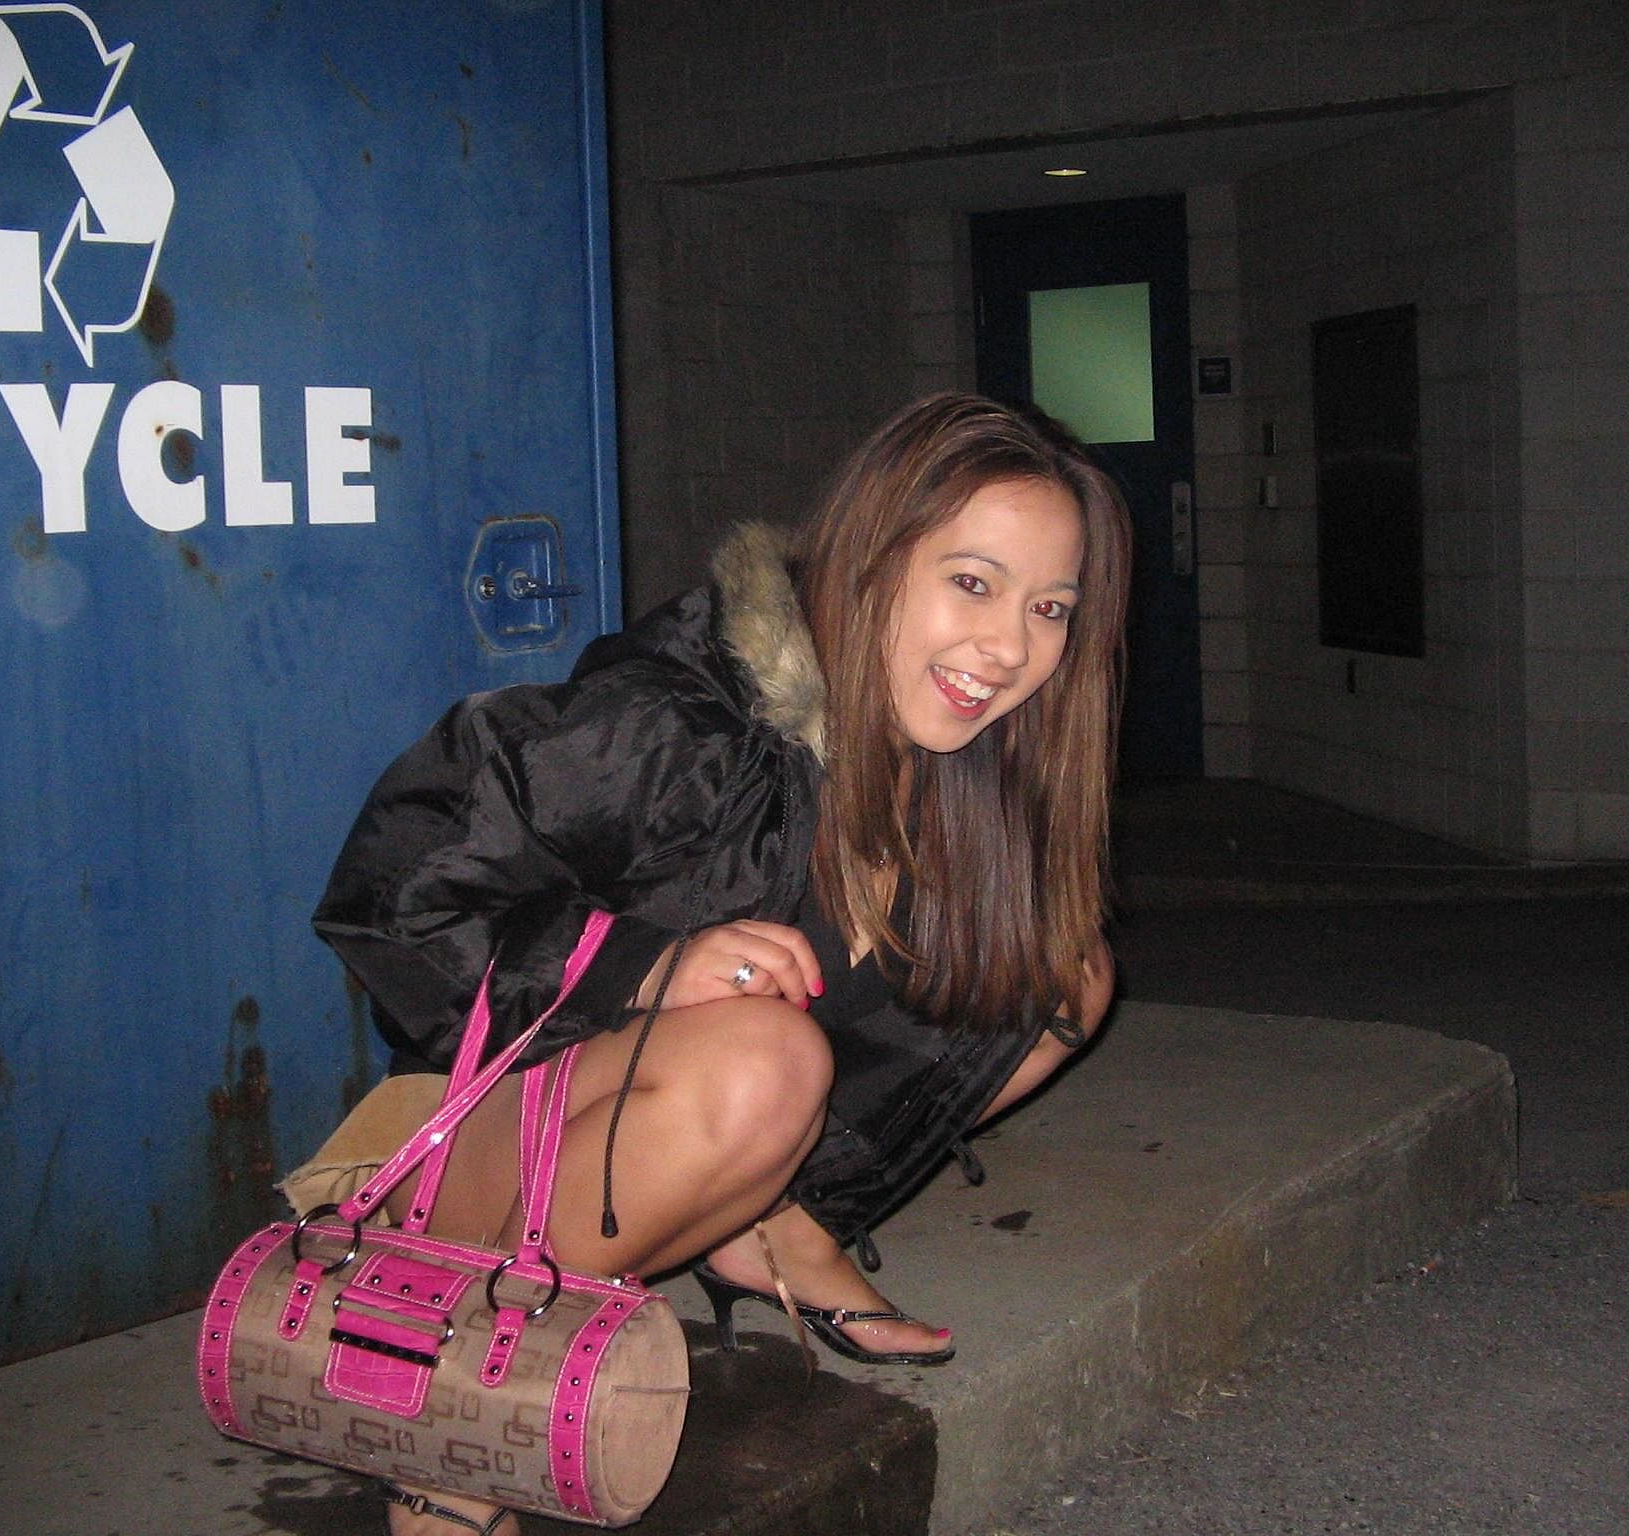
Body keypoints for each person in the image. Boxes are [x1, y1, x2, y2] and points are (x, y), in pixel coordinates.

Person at [312, 392, 1130, 1536]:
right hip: (485, 1145)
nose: (1008, 650)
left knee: (1057, 971)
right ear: (869, 558)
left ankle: (773, 1217)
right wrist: (640, 967)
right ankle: (453, 1422)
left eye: (1048, 608)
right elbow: (391, 881)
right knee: (763, 1062)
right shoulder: (680, 726)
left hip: (668, 1118)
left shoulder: (948, 762)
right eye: (971, 582)